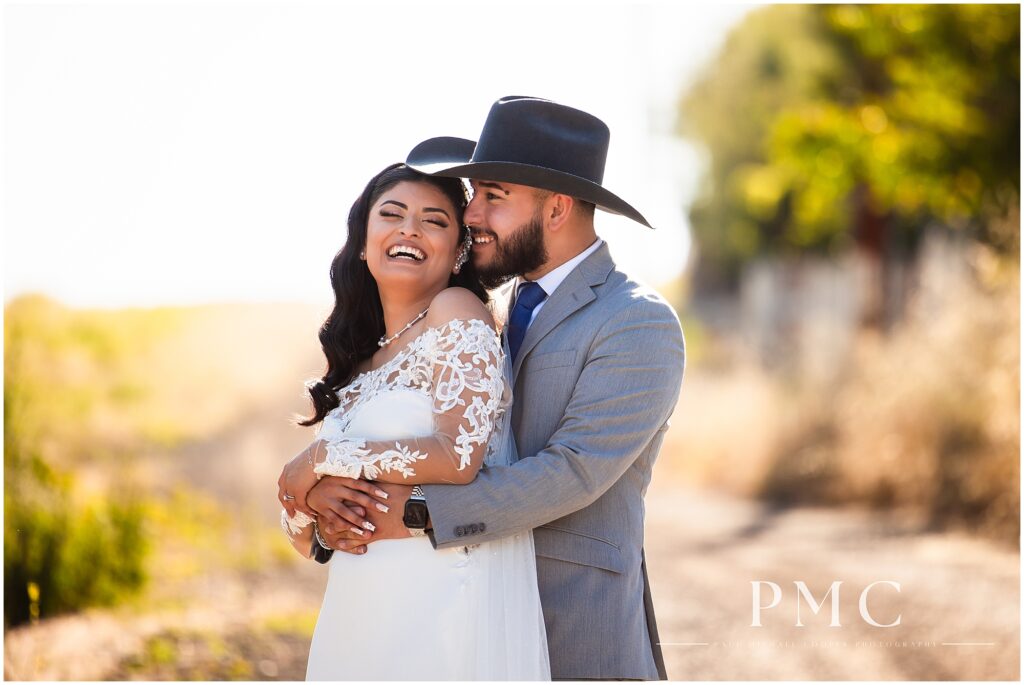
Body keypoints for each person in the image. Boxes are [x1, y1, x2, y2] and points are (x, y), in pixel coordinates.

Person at [310, 96, 686, 680]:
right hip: (456, 609)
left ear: (557, 207)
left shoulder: (636, 321)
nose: (473, 214)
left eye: (493, 197)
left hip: (572, 621)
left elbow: (575, 471)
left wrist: (410, 514)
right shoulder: (490, 310)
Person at [276, 162, 550, 680]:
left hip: (437, 595)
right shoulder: (358, 360)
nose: (409, 229)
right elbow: (309, 544)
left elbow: (458, 456)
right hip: (360, 607)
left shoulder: (457, 310)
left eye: (434, 221)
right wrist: (313, 507)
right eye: (393, 214)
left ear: (458, 252)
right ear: (363, 241)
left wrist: (323, 458)